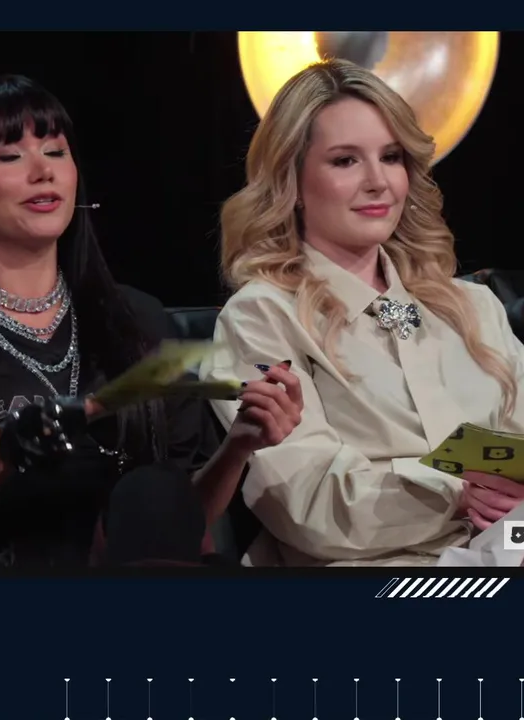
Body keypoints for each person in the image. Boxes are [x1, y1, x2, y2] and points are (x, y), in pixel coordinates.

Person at [0, 75, 304, 567]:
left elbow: (178, 524)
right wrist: (4, 448)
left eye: (55, 152)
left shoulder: (139, 323)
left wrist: (238, 447)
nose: (43, 171)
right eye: (10, 156)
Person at [200, 59, 524, 567]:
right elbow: (307, 503)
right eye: (345, 160)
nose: (378, 182)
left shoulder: (473, 306)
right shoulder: (261, 318)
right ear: (291, 180)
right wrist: (455, 492)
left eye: (391, 157)